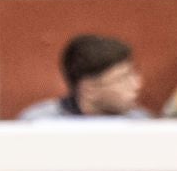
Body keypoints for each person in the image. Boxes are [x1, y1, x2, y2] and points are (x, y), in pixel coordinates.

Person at [18, 34, 150, 120]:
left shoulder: (141, 122)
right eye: (122, 79)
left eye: (133, 74)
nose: (137, 85)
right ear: (89, 89)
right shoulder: (39, 122)